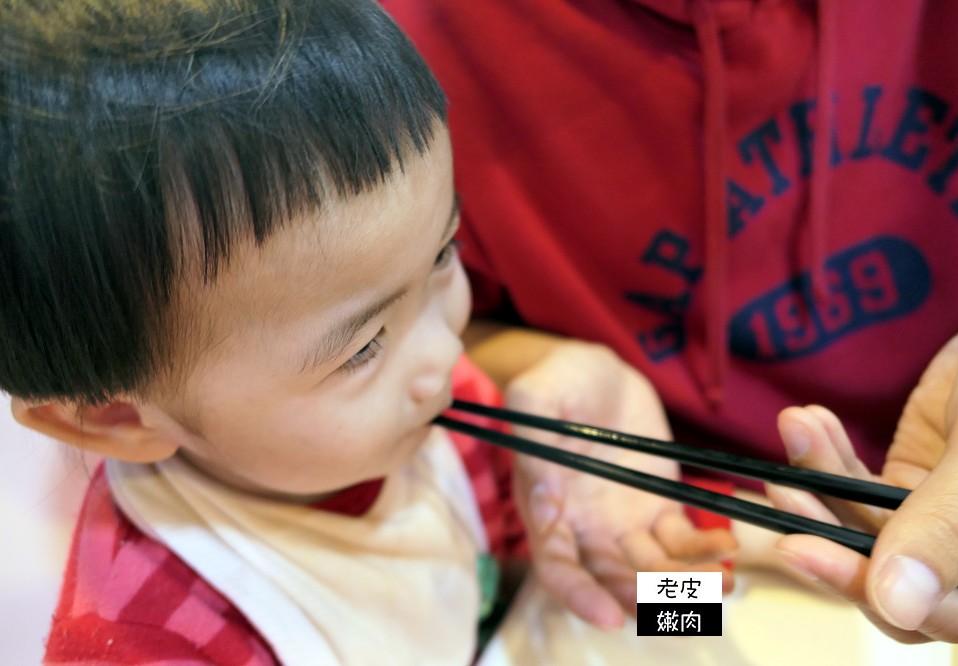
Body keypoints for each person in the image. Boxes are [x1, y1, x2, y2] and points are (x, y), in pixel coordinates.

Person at [0, 0, 739, 662]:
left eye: (444, 256)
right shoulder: (150, 639)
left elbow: (541, 595)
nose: (448, 353)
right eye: (363, 347)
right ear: (115, 416)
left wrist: (701, 603)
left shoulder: (441, 428)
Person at [380, 0, 958, 643]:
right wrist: (535, 363)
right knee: (638, 622)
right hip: (681, 531)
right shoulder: (408, 53)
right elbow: (415, 329)